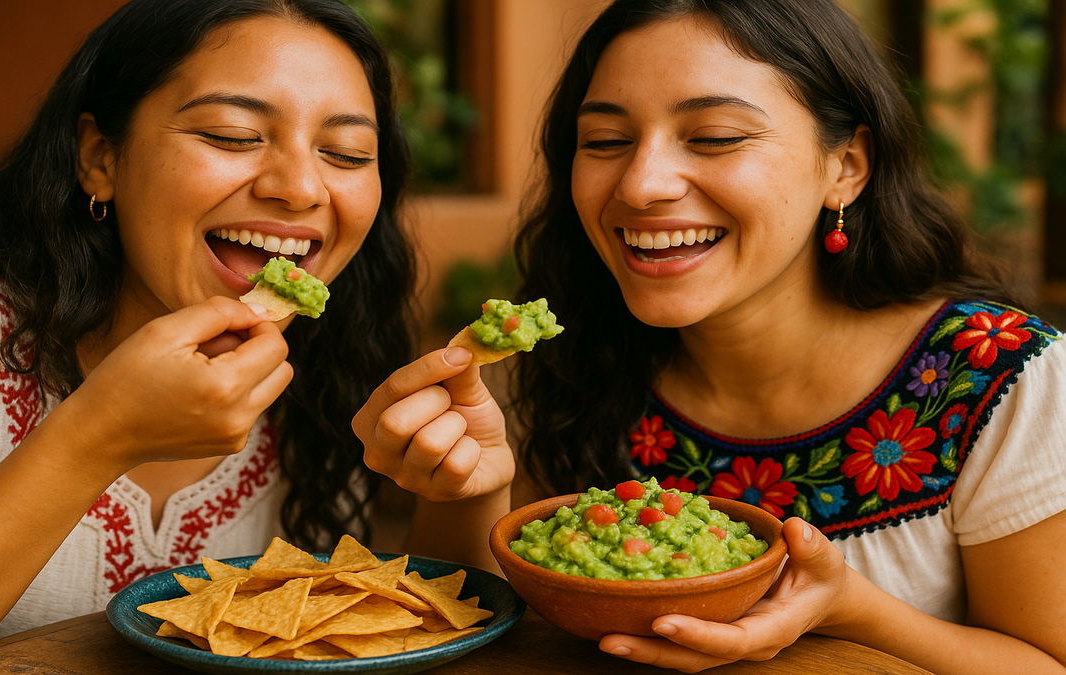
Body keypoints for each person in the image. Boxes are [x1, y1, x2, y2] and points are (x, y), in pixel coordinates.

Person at [352, 0, 1066, 671]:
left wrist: (852, 609)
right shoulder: (589, 361)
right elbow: (478, 634)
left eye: (715, 137)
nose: (642, 184)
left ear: (846, 166)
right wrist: (466, 491)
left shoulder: (998, 377)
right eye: (605, 140)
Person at [0, 0, 420, 669]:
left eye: (346, 152)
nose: (300, 187)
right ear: (101, 157)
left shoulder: (333, 375)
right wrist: (99, 436)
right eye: (233, 135)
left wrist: (468, 499)